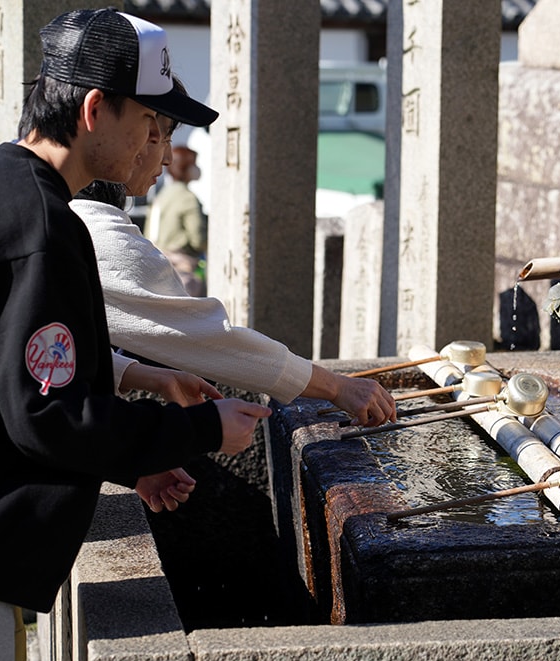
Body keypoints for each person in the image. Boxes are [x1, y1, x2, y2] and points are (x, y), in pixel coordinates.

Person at [0, 9, 271, 661]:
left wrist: (130, 452)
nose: (157, 147)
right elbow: (49, 415)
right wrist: (204, 429)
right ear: (93, 109)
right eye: (149, 123)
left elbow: (10, 375)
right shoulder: (37, 226)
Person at [70, 95, 397, 429]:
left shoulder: (67, 208)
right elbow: (204, 337)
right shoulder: (94, 228)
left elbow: (55, 353)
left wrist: (136, 376)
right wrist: (336, 386)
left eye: (163, 135)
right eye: (155, 134)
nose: (164, 155)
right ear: (96, 116)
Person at [145, 144, 208, 296]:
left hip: (156, 267)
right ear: (185, 167)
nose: (197, 169)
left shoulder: (161, 196)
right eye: (194, 164)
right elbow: (198, 239)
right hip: (183, 271)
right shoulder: (188, 198)